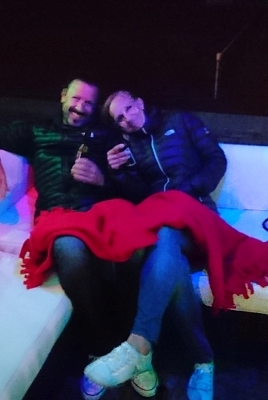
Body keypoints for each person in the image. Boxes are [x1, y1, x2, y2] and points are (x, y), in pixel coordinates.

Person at [0, 78, 153, 400]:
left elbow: (131, 184)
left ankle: (132, 348)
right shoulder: (36, 131)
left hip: (99, 212)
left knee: (136, 251)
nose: (81, 107)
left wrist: (102, 179)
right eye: (77, 99)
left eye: (89, 103)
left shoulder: (105, 137)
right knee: (71, 253)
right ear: (64, 96)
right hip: (57, 215)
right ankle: (102, 350)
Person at [83, 90, 227, 400]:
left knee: (164, 243)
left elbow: (217, 160)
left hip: (199, 216)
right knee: (169, 257)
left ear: (139, 103)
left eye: (128, 109)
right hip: (165, 225)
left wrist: (186, 190)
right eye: (119, 119)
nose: (127, 119)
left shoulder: (181, 120)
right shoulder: (128, 146)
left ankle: (138, 346)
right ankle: (203, 361)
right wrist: (118, 173)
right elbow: (139, 196)